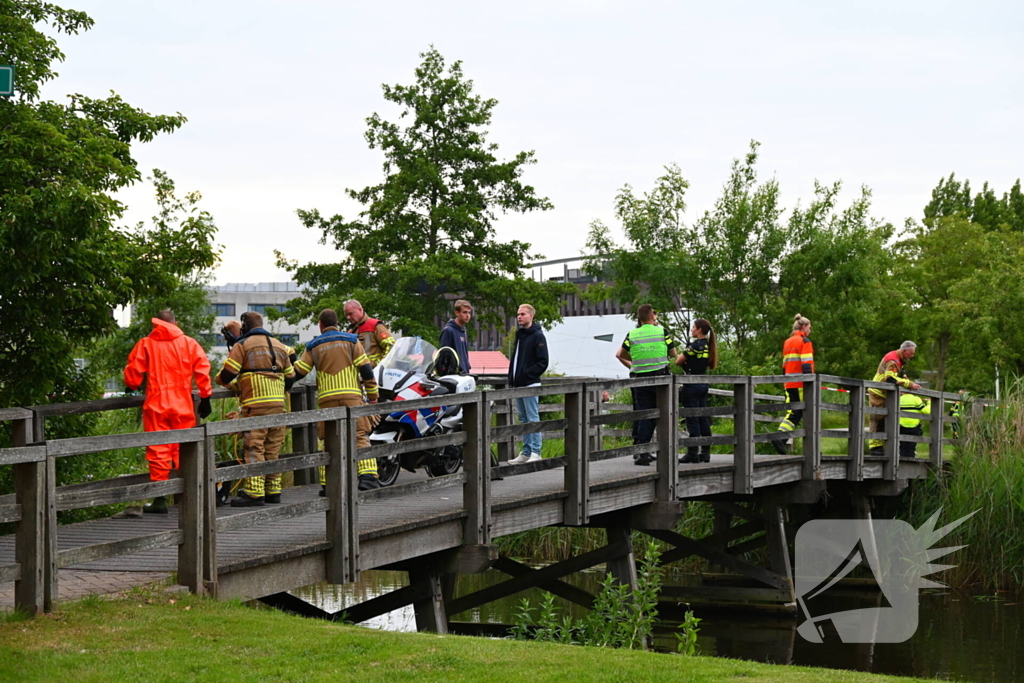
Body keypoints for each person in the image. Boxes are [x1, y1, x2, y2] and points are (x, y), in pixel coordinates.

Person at [124, 310, 213, 514]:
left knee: (158, 450)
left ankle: (160, 499)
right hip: (182, 403)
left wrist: (132, 384)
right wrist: (206, 397)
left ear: (156, 324)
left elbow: (134, 369)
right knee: (183, 448)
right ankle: (188, 496)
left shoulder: (146, 343)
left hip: (156, 403)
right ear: (176, 322)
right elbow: (202, 369)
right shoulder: (189, 344)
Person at [292, 309, 382, 492]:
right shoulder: (352, 340)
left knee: (330, 442)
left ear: (321, 325)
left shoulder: (313, 345)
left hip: (327, 400)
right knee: (360, 437)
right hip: (352, 397)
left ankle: (329, 486)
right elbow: (366, 370)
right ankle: (368, 478)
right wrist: (373, 397)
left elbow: (299, 372)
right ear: (338, 323)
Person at [215, 311, 296, 507]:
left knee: (254, 448)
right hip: (278, 405)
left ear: (243, 328)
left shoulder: (242, 345)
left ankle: (254, 493)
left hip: (256, 405)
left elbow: (228, 374)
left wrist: (221, 381)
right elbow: (291, 377)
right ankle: (273, 491)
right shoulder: (279, 345)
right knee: (272, 449)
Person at [615, 304, 677, 466]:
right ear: (652, 317)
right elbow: (673, 353)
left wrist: (636, 358)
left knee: (643, 414)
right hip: (660, 379)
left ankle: (642, 451)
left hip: (639, 379)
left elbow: (621, 354)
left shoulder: (632, 334)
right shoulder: (663, 332)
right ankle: (650, 451)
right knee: (658, 415)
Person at [507, 304, 549, 464]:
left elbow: (543, 361)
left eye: (523, 314)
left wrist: (527, 374)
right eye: (518, 314)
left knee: (532, 417)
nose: (519, 317)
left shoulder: (538, 336)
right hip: (518, 384)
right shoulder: (520, 335)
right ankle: (526, 452)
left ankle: (536, 452)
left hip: (530, 384)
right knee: (523, 418)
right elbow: (517, 358)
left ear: (531, 316)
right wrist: (513, 377)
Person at [772, 314, 815, 455]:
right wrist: (810, 381)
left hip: (788, 382)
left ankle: (781, 438)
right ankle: (780, 437)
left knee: (793, 411)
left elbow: (784, 365)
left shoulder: (788, 341)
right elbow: (807, 364)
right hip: (800, 383)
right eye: (809, 327)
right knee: (799, 413)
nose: (810, 330)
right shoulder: (804, 341)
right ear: (803, 326)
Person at [676, 318, 718, 464]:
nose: (692, 330)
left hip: (692, 384)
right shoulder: (708, 345)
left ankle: (692, 452)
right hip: (703, 383)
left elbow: (678, 361)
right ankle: (705, 452)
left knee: (692, 418)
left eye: (693, 327)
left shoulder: (695, 346)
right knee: (702, 417)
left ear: (699, 330)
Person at [868, 341, 922, 454]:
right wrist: (909, 385)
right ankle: (875, 448)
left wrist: (907, 382)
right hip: (878, 392)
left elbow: (900, 375)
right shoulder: (893, 361)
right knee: (877, 419)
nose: (912, 356)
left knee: (885, 420)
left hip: (885, 393)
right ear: (904, 351)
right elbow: (890, 379)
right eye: (911, 353)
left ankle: (881, 447)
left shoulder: (899, 359)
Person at [344, 299, 395, 368]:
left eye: (350, 314)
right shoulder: (351, 330)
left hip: (374, 373)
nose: (348, 317)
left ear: (360, 310)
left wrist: (379, 364)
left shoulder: (375, 325)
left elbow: (391, 347)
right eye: (346, 315)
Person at [438, 299, 473, 375]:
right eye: (464, 312)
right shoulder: (448, 331)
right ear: (457, 313)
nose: (468, 315)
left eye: (469, 313)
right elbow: (444, 356)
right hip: (454, 376)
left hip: (464, 374)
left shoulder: (463, 331)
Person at [898, 391, 931, 459]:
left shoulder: (898, 399)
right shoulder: (916, 399)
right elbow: (926, 411)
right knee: (911, 447)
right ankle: (910, 462)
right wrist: (930, 403)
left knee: (902, 446)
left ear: (902, 392)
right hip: (914, 426)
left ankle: (901, 462)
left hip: (900, 426)